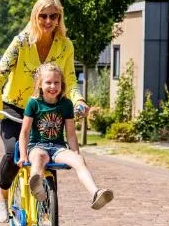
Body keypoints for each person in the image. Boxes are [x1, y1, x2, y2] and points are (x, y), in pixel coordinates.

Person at [0, 0, 89, 222]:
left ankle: (48, 216)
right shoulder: (21, 42)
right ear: (35, 16)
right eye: (43, 16)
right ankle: (1, 194)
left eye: (53, 16)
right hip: (14, 106)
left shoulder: (65, 45)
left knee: (50, 153)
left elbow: (69, 78)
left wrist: (78, 101)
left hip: (47, 108)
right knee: (13, 151)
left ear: (59, 18)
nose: (48, 21)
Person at [18, 62, 113, 209]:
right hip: (37, 146)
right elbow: (24, 132)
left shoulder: (66, 104)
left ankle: (95, 192)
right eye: (48, 82)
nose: (53, 86)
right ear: (40, 84)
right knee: (39, 157)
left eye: (57, 83)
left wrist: (76, 153)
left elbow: (71, 134)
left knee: (78, 160)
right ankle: (36, 184)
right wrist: (23, 155)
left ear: (62, 84)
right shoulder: (34, 103)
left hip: (57, 148)